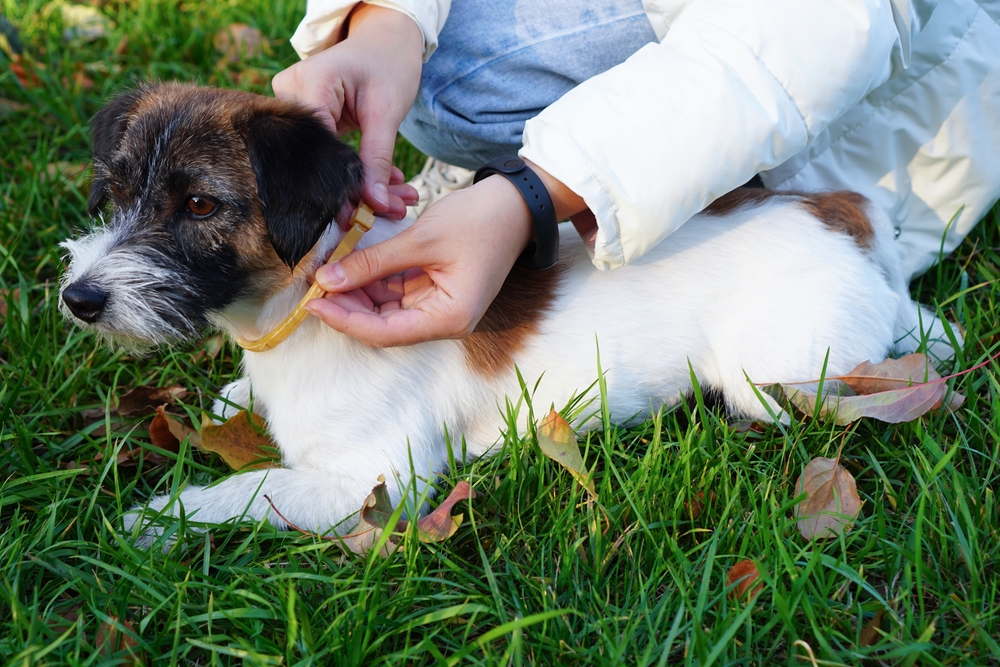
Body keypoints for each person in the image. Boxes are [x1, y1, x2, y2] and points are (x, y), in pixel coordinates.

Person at [272, 0, 1000, 348]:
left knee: (455, 80)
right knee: (435, 57)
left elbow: (823, 22)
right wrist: (386, 24)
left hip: (874, 94)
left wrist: (532, 194)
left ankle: (570, 184)